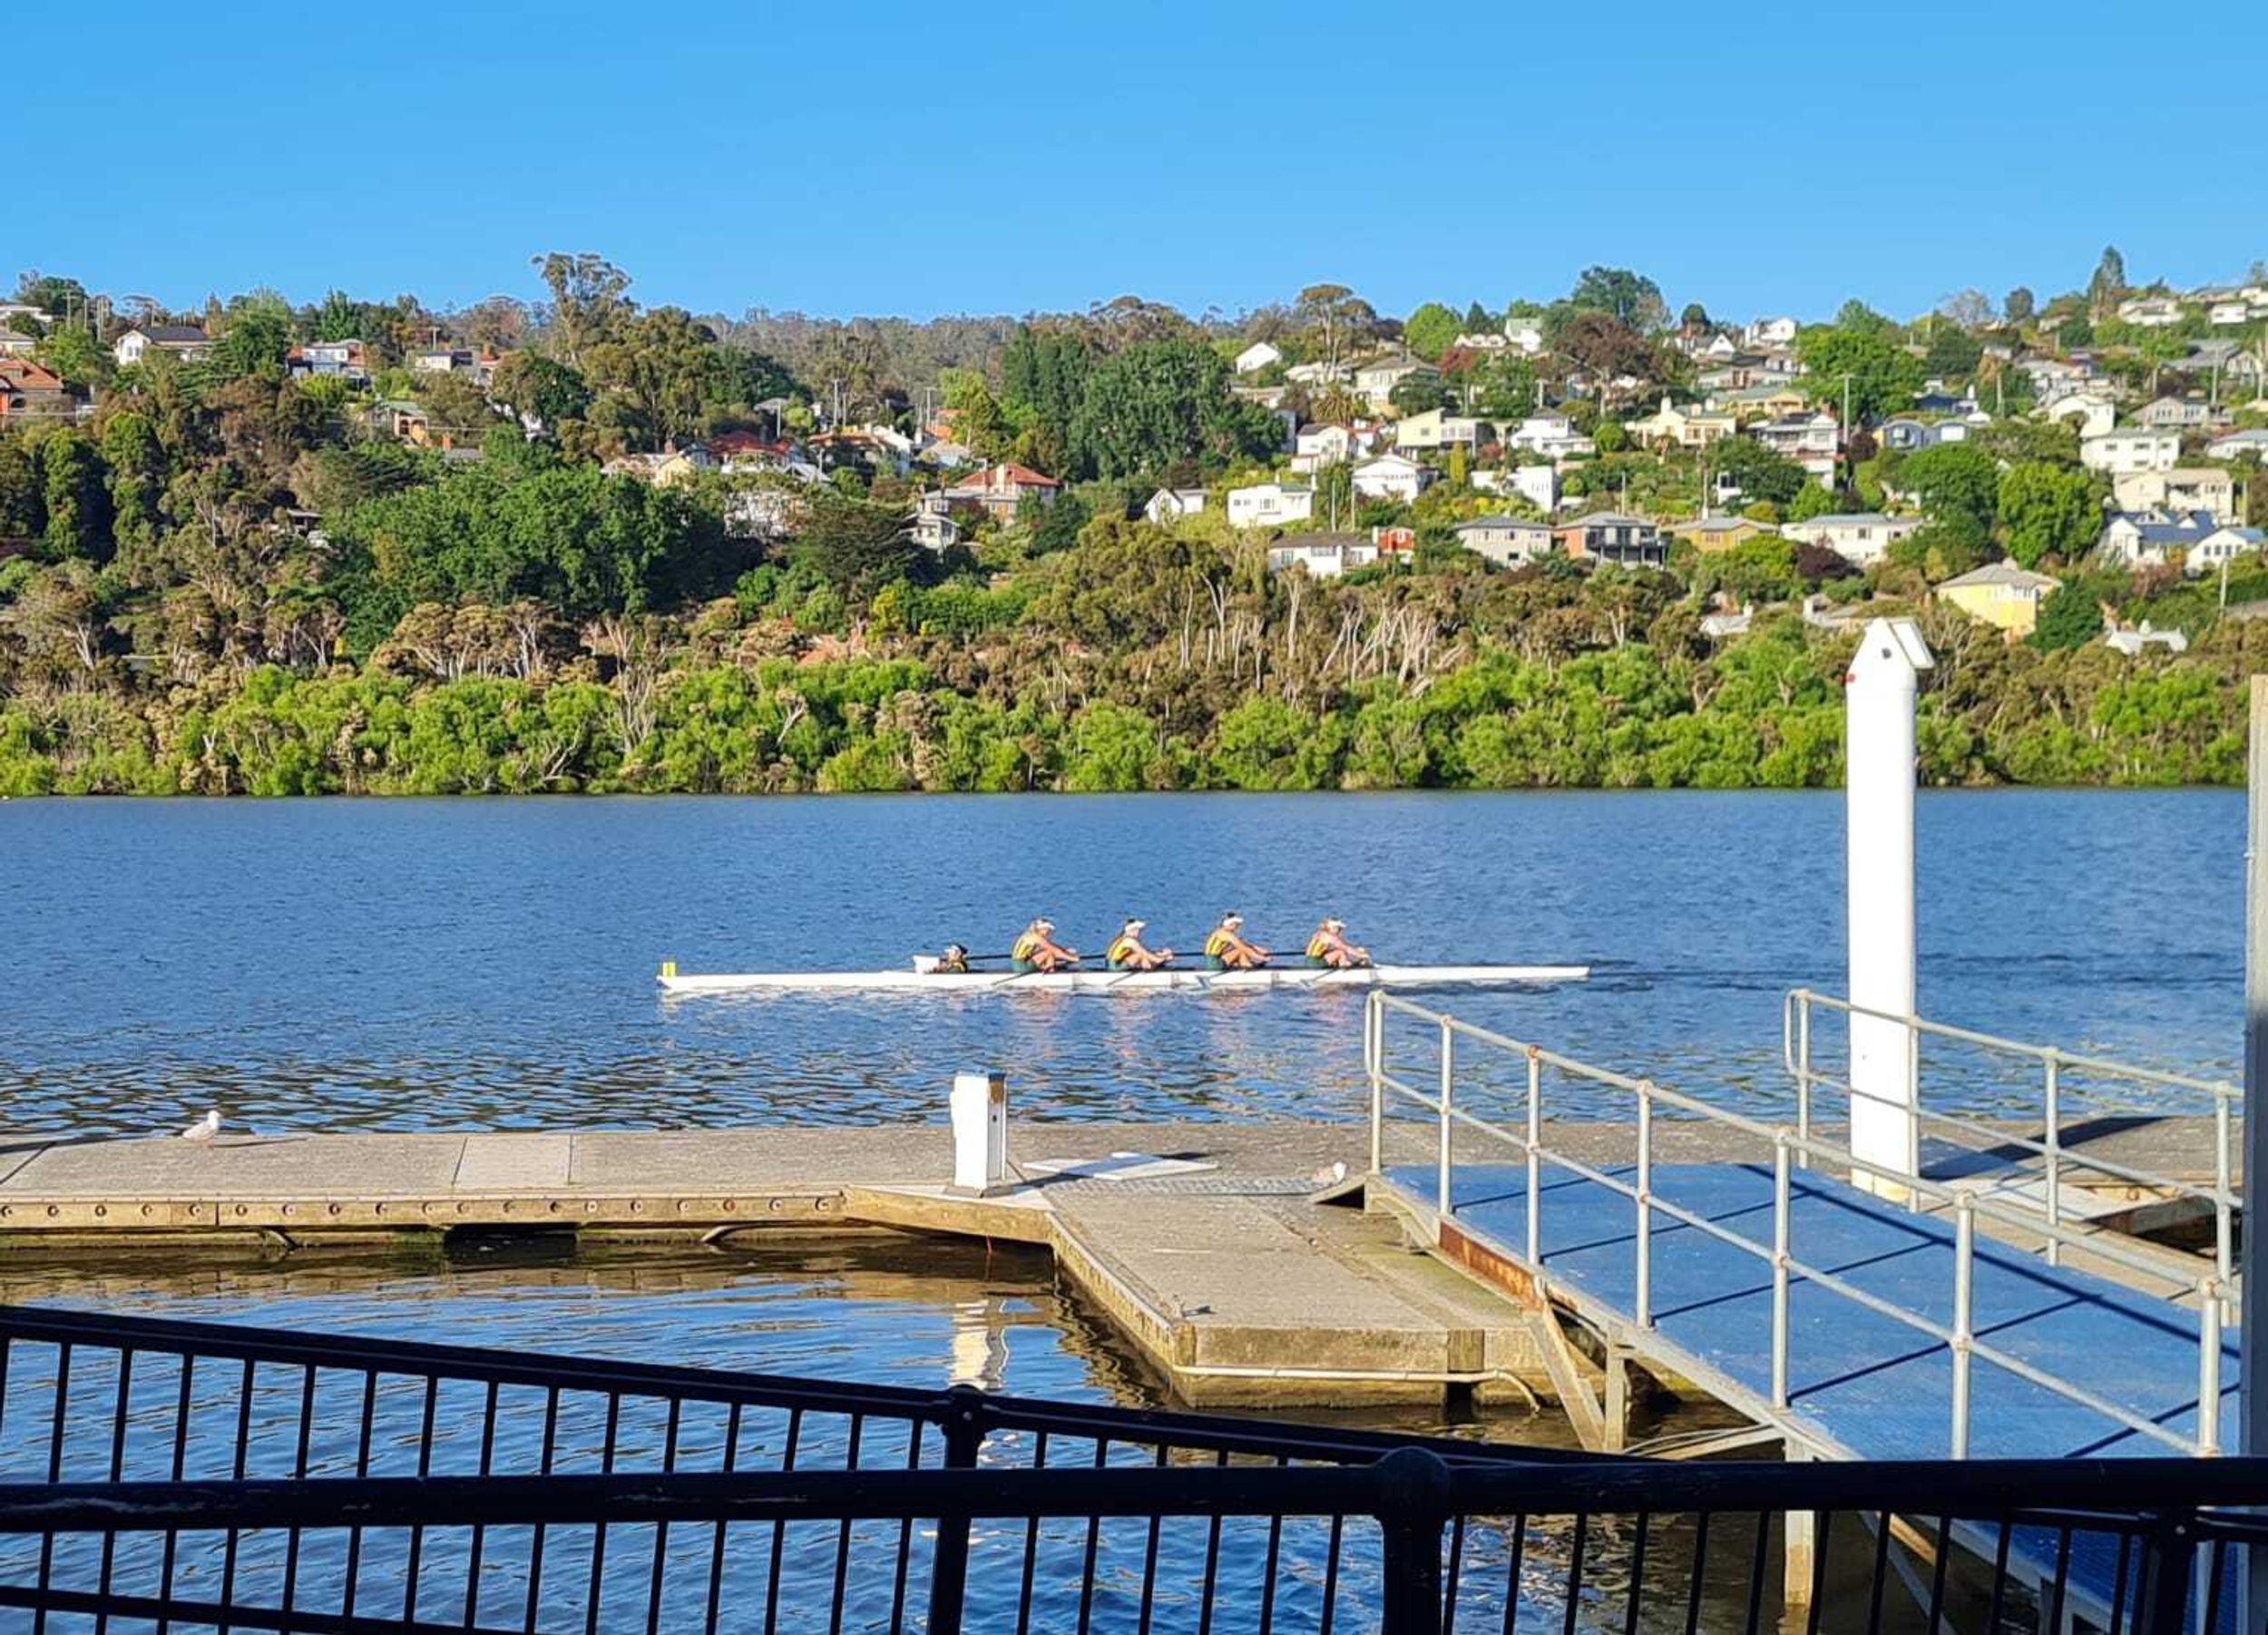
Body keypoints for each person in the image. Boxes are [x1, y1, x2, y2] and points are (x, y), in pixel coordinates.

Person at [1202, 913, 1269, 972]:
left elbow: (1244, 944)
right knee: (1240, 951)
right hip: (1213, 963)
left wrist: (1261, 950)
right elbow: (1243, 948)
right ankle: (1248, 968)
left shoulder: (1223, 932)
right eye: (1236, 924)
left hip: (1214, 960)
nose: (1238, 927)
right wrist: (1262, 958)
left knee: (1239, 954)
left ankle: (1247, 967)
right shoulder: (1225, 934)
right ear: (1230, 924)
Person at [1011, 918, 1080, 974]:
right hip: (1022, 966)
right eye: (1048, 930)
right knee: (1049, 953)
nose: (1049, 932)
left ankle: (1047, 967)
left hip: (1018, 963)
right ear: (1042, 929)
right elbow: (1053, 949)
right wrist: (1072, 958)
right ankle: (1050, 973)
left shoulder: (1029, 934)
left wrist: (1065, 951)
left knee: (1048, 953)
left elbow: (1052, 946)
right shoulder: (1036, 937)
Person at [1105, 918, 1174, 971]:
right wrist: (1164, 958)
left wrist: (1160, 954)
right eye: (1136, 930)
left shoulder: (1123, 938)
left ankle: (1151, 968)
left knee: (1145, 957)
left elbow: (1147, 952)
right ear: (1130, 930)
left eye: (1139, 930)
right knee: (1142, 955)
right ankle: (1150, 971)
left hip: (1116, 963)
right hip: (1114, 967)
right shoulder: (1129, 941)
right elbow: (1145, 953)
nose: (1138, 932)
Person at [1305, 918, 1372, 969]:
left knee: (1337, 951)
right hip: (1315, 962)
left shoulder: (1319, 933)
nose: (1340, 931)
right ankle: (1343, 969)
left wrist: (1358, 951)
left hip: (1308, 960)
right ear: (1333, 928)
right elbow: (1346, 948)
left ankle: (1344, 964)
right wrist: (1361, 955)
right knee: (1340, 952)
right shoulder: (1331, 937)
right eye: (1339, 929)